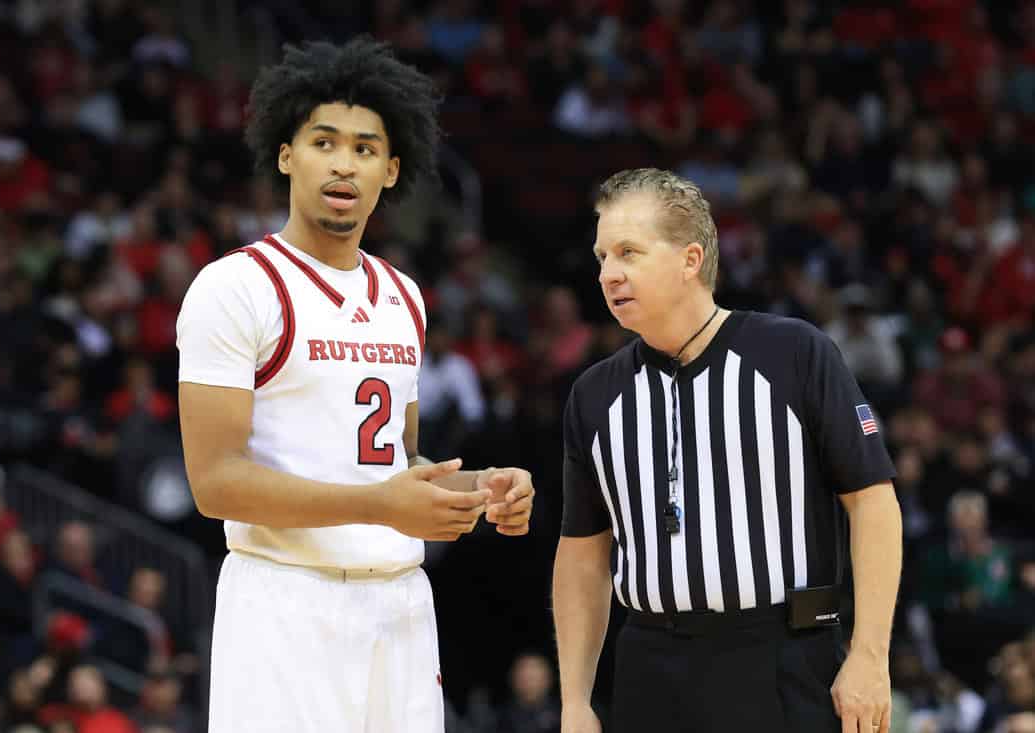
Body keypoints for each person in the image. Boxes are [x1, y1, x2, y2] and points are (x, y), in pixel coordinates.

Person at [175, 38, 536, 733]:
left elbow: (395, 462)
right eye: (324, 141)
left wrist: (477, 485)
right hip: (286, 604)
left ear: (390, 169)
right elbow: (214, 481)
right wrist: (380, 505)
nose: (344, 163)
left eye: (366, 148)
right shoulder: (235, 287)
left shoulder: (403, 295)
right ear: (286, 154)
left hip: (399, 604)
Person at [552, 168, 903, 733]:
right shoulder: (594, 394)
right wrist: (575, 700)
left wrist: (869, 655)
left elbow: (873, 502)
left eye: (628, 253)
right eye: (601, 257)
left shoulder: (793, 352)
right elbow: (582, 553)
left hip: (783, 658)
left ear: (690, 260)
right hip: (649, 665)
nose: (608, 274)